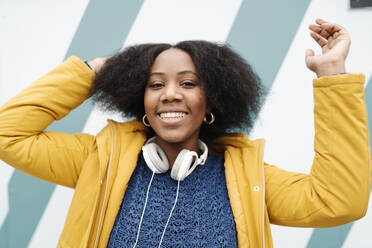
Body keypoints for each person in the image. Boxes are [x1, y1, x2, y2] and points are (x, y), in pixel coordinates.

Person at [0, 19, 370, 248]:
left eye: (189, 83)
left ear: (210, 103)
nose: (170, 93)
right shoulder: (99, 159)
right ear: (141, 101)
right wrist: (92, 71)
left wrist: (332, 73)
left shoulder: (245, 177)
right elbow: (7, 134)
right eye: (155, 84)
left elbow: (339, 201)